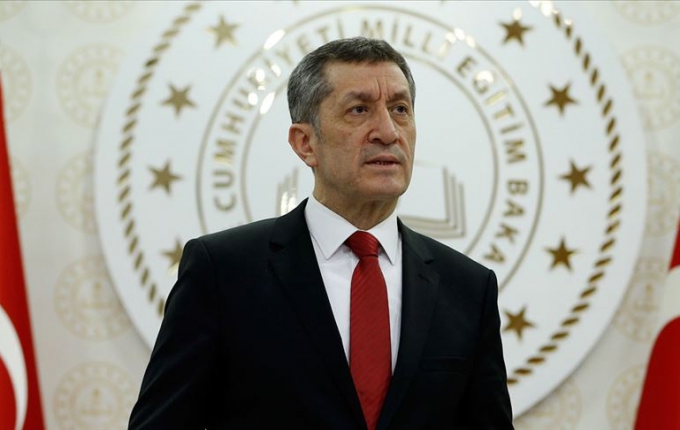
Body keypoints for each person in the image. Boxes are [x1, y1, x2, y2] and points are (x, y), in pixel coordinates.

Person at [129, 37, 513, 430]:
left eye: (400, 109)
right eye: (359, 109)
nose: (387, 131)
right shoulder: (222, 271)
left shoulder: (468, 288)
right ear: (305, 143)